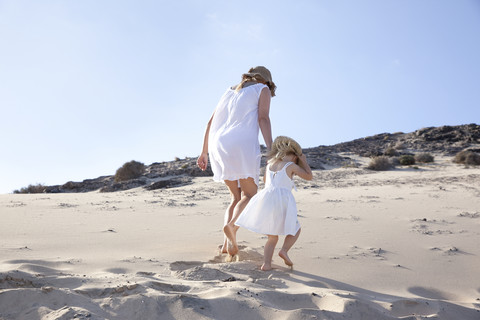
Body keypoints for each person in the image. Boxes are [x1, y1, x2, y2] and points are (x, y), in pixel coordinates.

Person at [197, 66, 277, 256]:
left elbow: (210, 123)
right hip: (243, 143)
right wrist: (271, 147)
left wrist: (204, 152)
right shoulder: (262, 89)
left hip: (219, 144)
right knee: (249, 195)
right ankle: (232, 226)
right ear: (264, 80)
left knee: (235, 197)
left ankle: (226, 244)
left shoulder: (228, 91)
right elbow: (263, 118)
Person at [235, 136, 313, 271]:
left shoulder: (270, 164)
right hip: (282, 199)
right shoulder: (291, 166)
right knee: (295, 228)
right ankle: (284, 250)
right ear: (295, 156)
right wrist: (304, 162)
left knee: (272, 237)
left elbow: (266, 180)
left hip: (266, 198)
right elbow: (309, 176)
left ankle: (267, 264)